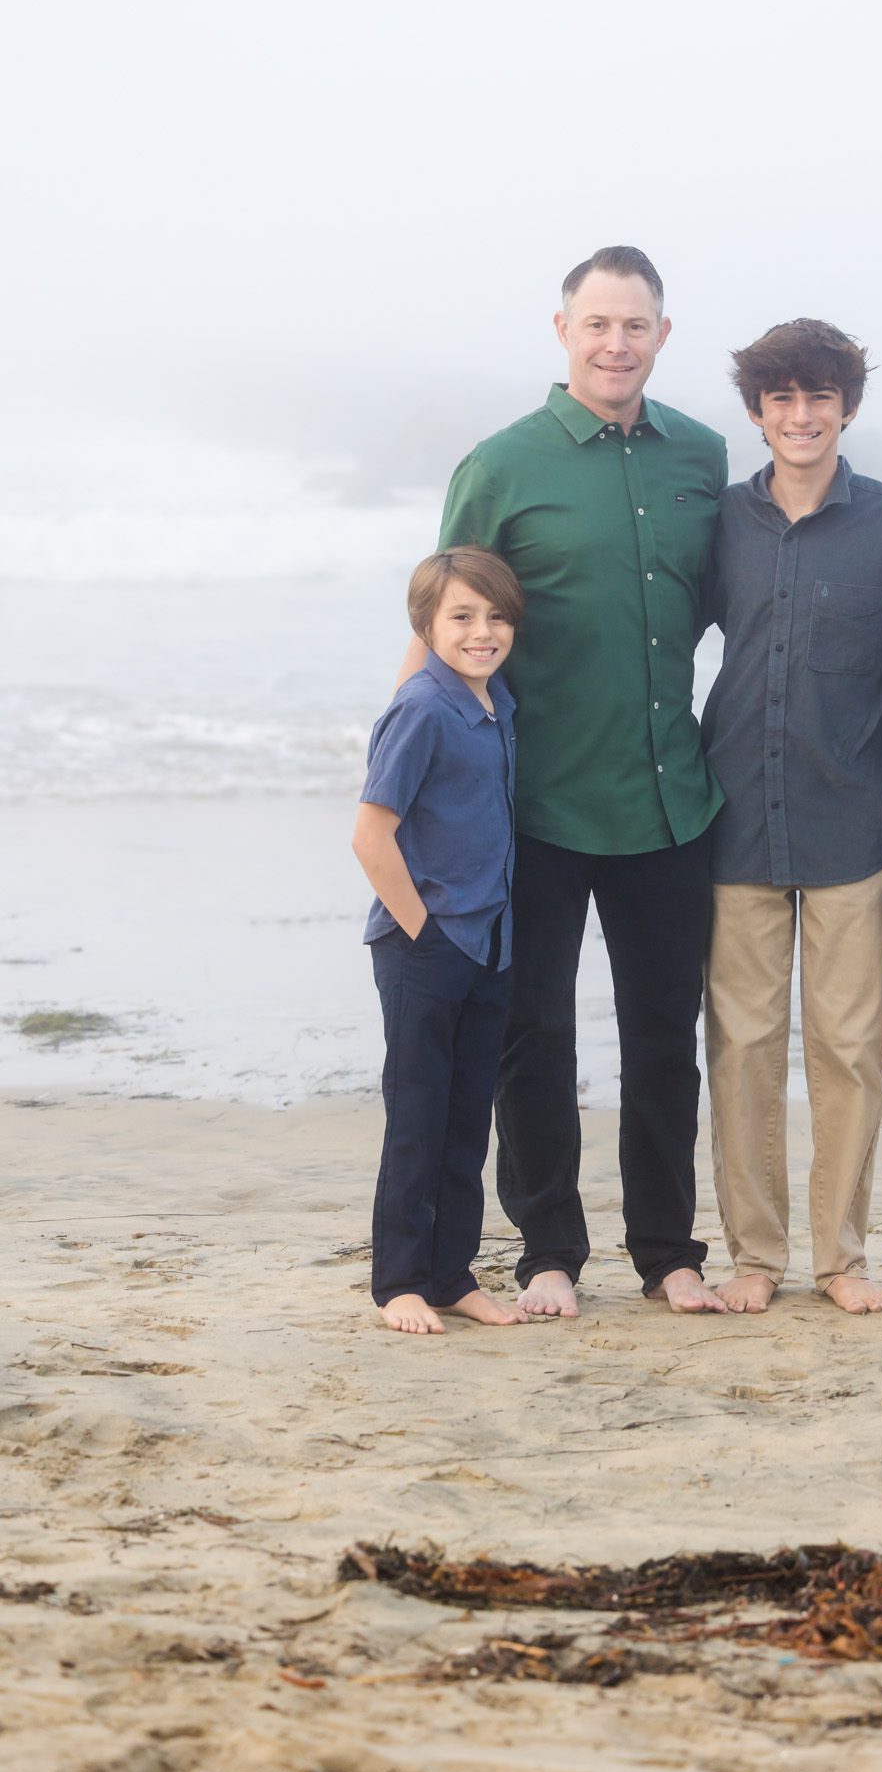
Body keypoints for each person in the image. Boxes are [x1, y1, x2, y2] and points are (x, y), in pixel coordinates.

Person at [395, 246, 728, 1317]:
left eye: (635, 325)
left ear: (662, 336)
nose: (616, 343)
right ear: (563, 330)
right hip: (530, 809)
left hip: (673, 800)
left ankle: (671, 1249)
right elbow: (439, 627)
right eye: (597, 324)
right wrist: (393, 795)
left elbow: (750, 611)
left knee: (664, 1040)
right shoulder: (501, 465)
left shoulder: (705, 456)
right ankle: (548, 1249)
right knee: (532, 1035)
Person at [700, 319, 882, 1313]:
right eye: (782, 398)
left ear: (847, 405)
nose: (801, 416)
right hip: (736, 820)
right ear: (758, 411)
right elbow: (670, 641)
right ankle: (755, 1253)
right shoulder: (720, 520)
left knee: (846, 1049)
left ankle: (840, 1257)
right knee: (743, 1045)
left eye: (819, 396)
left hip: (851, 827)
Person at [353, 546, 528, 1334]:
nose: (481, 631)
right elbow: (369, 835)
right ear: (425, 625)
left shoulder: (493, 703)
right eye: (461, 616)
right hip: (426, 946)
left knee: (467, 1118)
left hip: (489, 942)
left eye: (495, 617)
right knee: (419, 1114)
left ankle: (452, 1273)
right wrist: (423, 931)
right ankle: (399, 1283)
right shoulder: (422, 707)